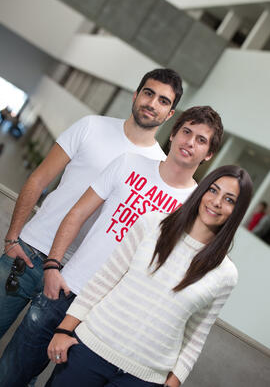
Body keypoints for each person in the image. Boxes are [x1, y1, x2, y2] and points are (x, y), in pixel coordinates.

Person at [0, 106, 224, 386]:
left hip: (105, 317)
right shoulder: (128, 162)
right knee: (13, 372)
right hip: (64, 288)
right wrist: (53, 265)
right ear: (173, 135)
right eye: (186, 132)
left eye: (201, 140)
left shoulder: (195, 205)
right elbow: (78, 213)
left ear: (209, 154)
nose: (190, 142)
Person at [0, 68, 183, 338]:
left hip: (72, 280)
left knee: (21, 370)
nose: (152, 103)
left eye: (163, 101)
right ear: (135, 95)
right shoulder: (91, 126)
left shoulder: (159, 167)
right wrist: (13, 237)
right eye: (148, 93)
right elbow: (38, 179)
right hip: (30, 250)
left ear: (170, 115)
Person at [45, 165, 253, 387]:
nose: (216, 202)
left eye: (229, 199)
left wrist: (173, 382)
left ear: (237, 211)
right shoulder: (152, 224)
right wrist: (64, 329)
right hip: (90, 350)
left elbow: (196, 335)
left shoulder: (226, 274)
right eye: (213, 190)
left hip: (143, 378)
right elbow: (105, 279)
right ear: (201, 191)